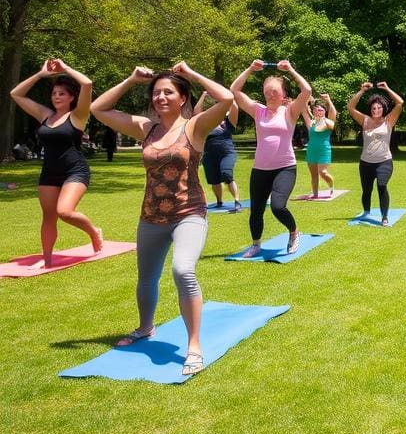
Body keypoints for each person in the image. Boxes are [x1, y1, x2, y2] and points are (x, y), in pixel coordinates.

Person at [91, 62, 233, 376]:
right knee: (146, 278)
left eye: (169, 92)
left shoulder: (194, 126)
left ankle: (193, 344)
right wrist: (130, 79)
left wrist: (191, 74)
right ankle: (145, 327)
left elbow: (225, 100)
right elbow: (98, 108)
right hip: (151, 216)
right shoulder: (146, 128)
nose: (161, 97)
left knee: (183, 270)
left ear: (182, 98)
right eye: (156, 93)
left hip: (189, 214)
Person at [10, 59, 104, 268]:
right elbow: (16, 94)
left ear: (72, 97)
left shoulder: (78, 116)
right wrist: (40, 74)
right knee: (49, 216)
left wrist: (65, 69)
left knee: (65, 212)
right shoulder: (45, 115)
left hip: (75, 170)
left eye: (62, 93)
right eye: (54, 94)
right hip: (49, 172)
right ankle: (47, 260)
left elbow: (87, 84)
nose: (56, 97)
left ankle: (93, 231)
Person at [231, 60, 312, 256]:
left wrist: (291, 69)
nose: (270, 94)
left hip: (284, 168)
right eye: (267, 90)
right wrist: (250, 69)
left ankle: (294, 232)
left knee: (277, 206)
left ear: (283, 94)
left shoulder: (290, 111)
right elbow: (234, 90)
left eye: (274, 91)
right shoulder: (258, 111)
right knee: (256, 210)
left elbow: (307, 91)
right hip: (260, 169)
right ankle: (256, 244)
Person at [347, 82, 404, 226]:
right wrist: (361, 91)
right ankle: (366, 211)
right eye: (373, 108)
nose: (376, 110)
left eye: (378, 108)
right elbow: (350, 107)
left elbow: (400, 102)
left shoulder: (388, 121)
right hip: (365, 163)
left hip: (384, 162)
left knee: (382, 185)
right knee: (367, 190)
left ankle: (384, 217)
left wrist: (387, 88)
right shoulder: (365, 121)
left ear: (383, 109)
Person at [194, 92, 241, 210]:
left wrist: (229, 96)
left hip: (227, 153)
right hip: (209, 155)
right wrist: (204, 95)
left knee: (227, 174)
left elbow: (235, 107)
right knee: (214, 180)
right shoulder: (206, 122)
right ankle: (219, 201)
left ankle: (237, 201)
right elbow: (196, 112)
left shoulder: (228, 122)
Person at [301, 94, 337, 198]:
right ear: (313, 111)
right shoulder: (311, 123)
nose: (319, 111)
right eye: (317, 110)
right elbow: (304, 110)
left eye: (321, 110)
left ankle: (331, 186)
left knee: (323, 172)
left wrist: (329, 100)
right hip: (311, 150)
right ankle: (315, 195)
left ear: (325, 111)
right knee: (314, 175)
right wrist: (305, 98)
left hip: (324, 150)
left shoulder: (328, 122)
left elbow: (333, 114)